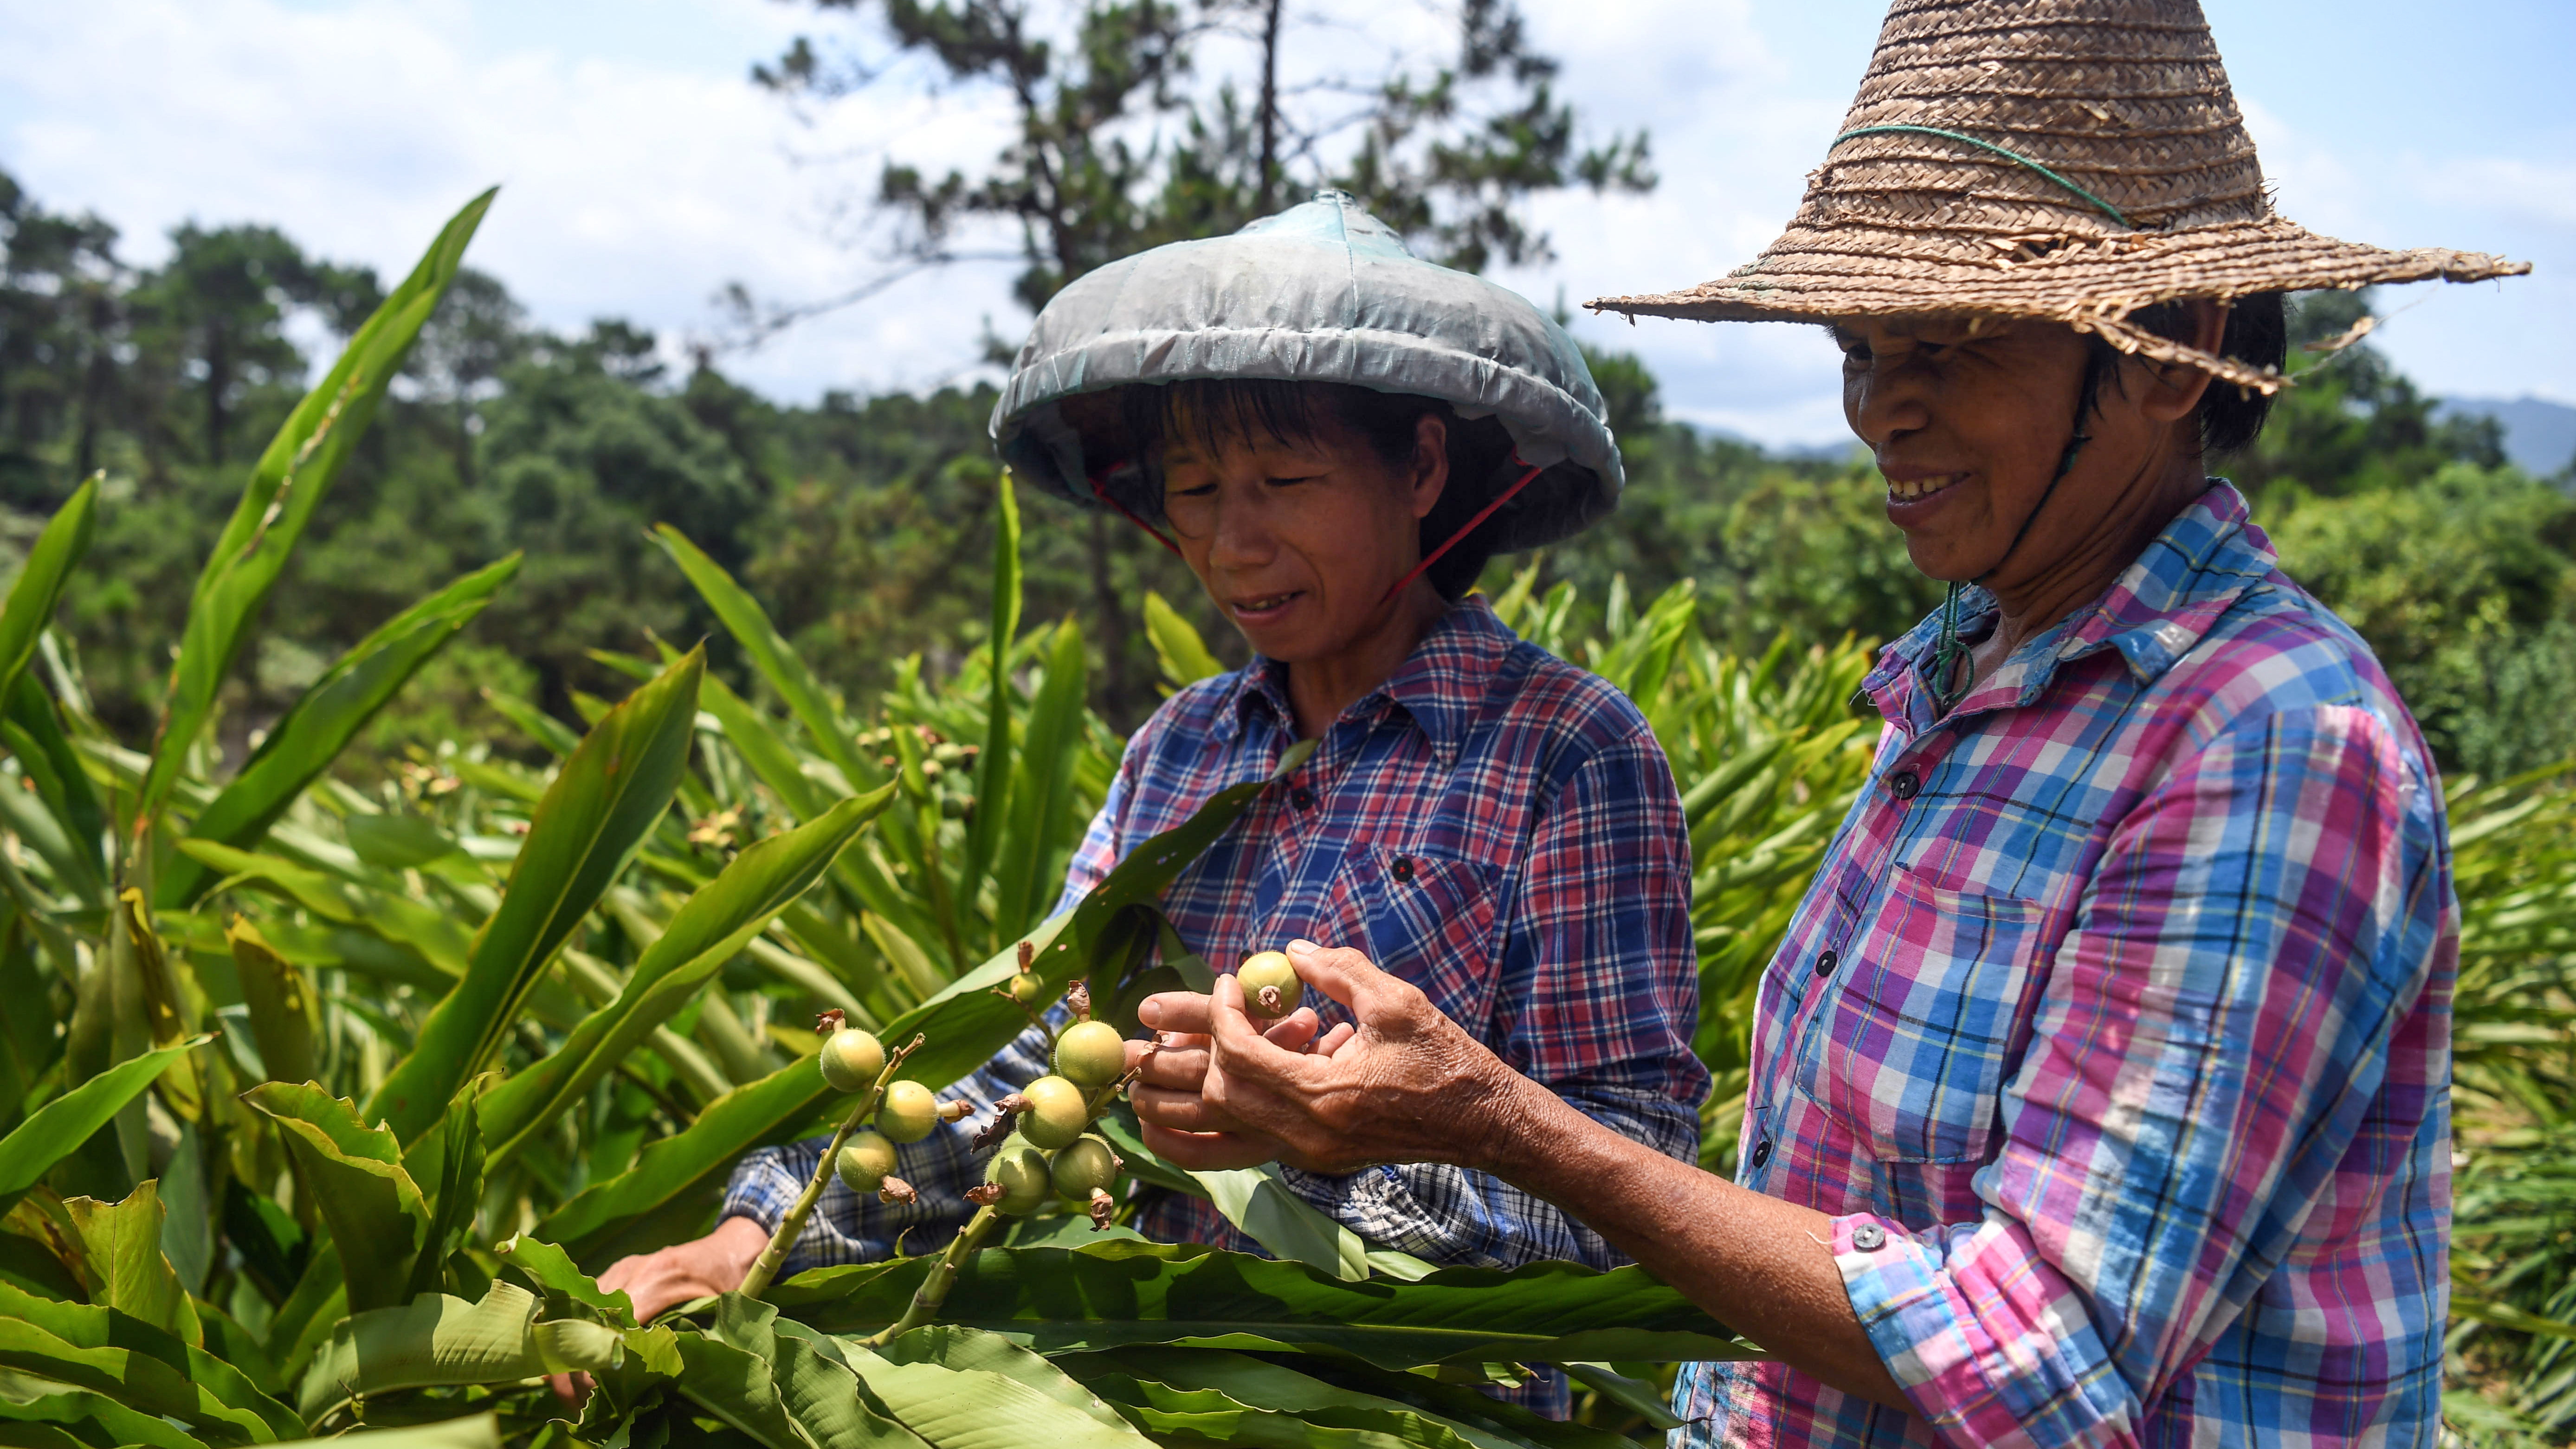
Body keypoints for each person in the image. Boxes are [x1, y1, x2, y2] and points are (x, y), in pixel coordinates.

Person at [1132, 3, 2527, 1445]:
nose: (1881, 409)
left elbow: (2036, 1359)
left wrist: (1489, 1118)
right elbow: (1847, 1209)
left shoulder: (2267, 748)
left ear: (2172, 352)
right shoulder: (1975, 683)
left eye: (1949, 347)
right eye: (1865, 345)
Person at [589, 192, 1710, 1418]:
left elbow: (1638, 1195)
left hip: (1412, 1415)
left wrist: (1324, 1144)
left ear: (1424, 467)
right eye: (1194, 489)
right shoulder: (1183, 749)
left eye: (1285, 478)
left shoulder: (1566, 754)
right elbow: (1035, 1069)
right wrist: (762, 1233)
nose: (1233, 544)